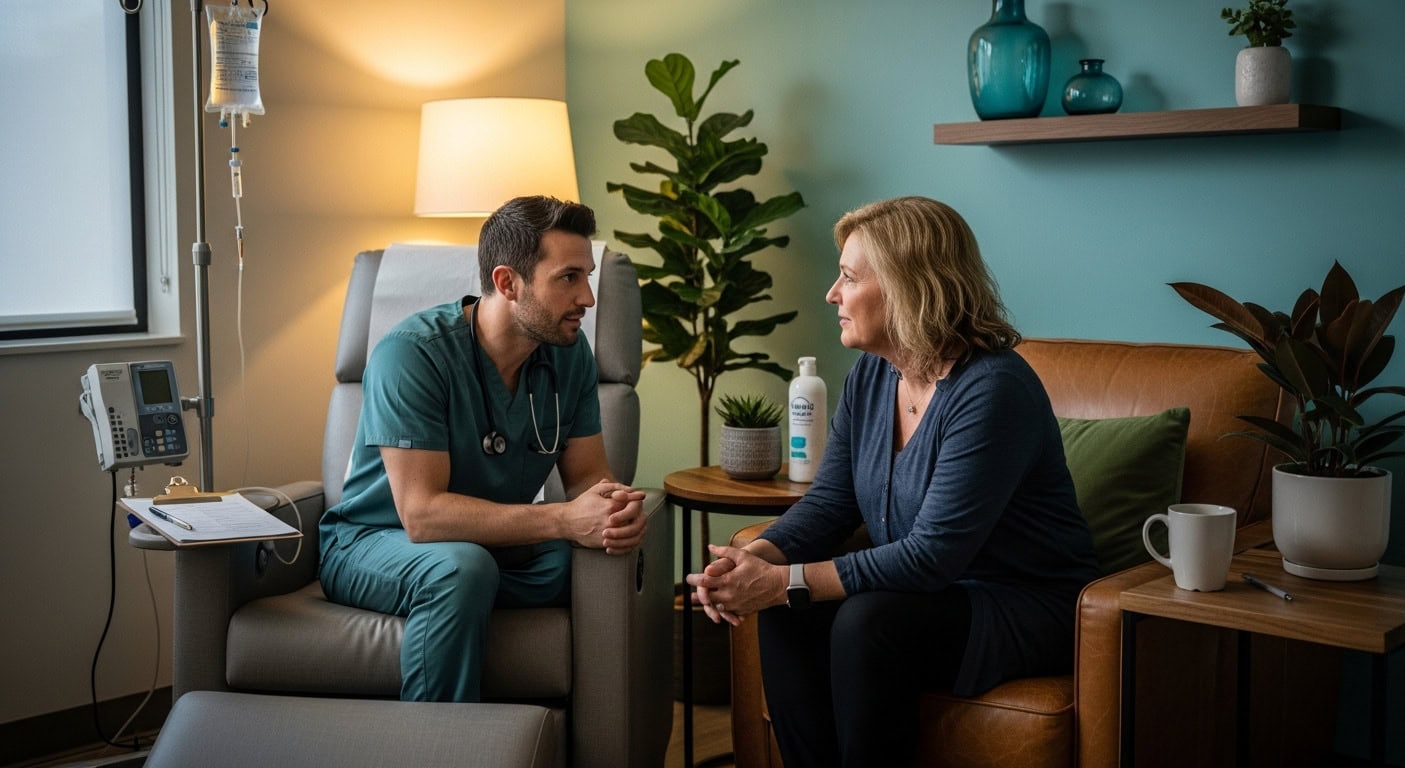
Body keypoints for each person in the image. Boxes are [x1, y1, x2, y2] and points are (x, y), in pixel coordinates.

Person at [687, 196, 1099, 767]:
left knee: (867, 622)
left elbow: (933, 555)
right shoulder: (873, 376)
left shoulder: (993, 390)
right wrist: (754, 560)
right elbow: (832, 503)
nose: (832, 294)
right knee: (786, 610)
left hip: (1022, 602)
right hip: (930, 597)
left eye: (849, 277)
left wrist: (786, 580)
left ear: (911, 287)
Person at [319, 195, 649, 703]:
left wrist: (611, 511)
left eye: (588, 276)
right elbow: (423, 516)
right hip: (375, 541)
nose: (588, 298)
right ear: (506, 282)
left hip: (493, 549)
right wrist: (563, 520)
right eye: (569, 278)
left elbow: (587, 475)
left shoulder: (569, 352)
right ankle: (439, 749)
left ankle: (464, 604)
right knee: (461, 570)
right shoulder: (413, 355)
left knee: (572, 564)